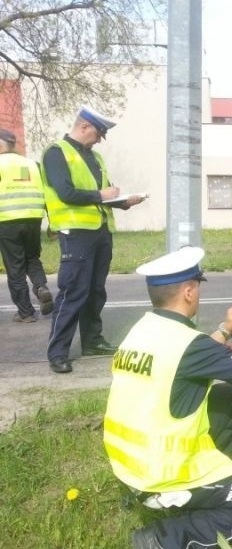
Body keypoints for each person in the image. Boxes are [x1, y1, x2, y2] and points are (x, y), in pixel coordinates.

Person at [103, 246, 232, 549]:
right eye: (198, 286)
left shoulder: (143, 330)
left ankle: (203, 486)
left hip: (129, 466)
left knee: (228, 395)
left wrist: (226, 329)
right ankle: (166, 540)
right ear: (189, 291)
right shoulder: (190, 345)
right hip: (161, 475)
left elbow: (186, 363)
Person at [41, 105, 144, 373]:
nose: (99, 139)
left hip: (99, 232)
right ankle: (58, 352)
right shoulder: (56, 153)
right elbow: (65, 193)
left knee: (95, 291)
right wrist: (101, 195)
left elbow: (103, 195)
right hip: (75, 233)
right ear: (84, 126)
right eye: (98, 133)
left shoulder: (95, 159)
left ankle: (92, 342)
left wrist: (123, 202)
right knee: (74, 291)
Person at [0, 128, 53, 322]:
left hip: (7, 220)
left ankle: (26, 312)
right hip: (33, 218)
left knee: (15, 267)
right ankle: (41, 287)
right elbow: (47, 193)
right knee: (32, 258)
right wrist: (52, 221)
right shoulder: (33, 164)